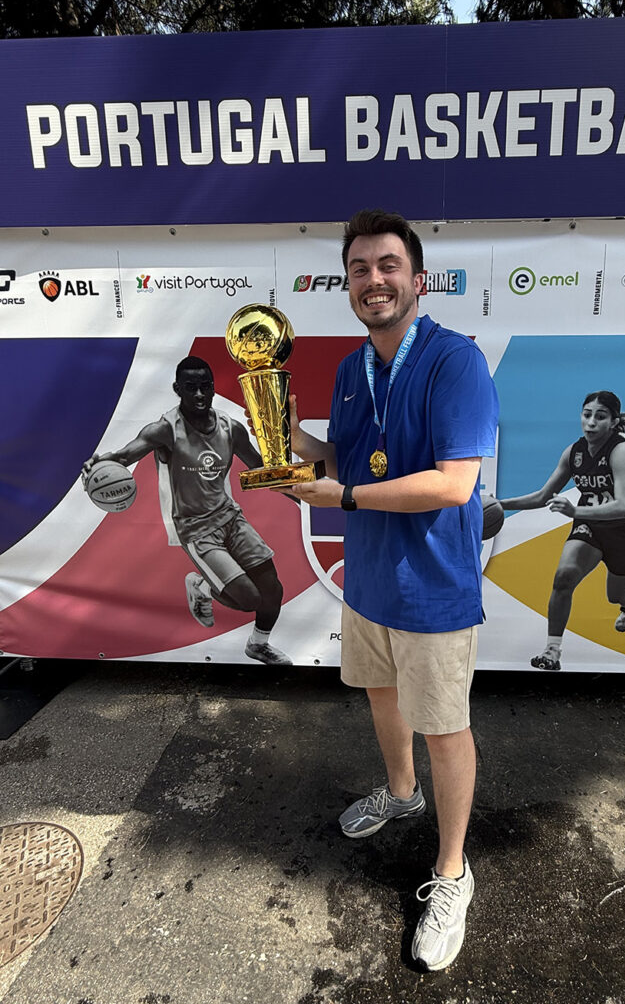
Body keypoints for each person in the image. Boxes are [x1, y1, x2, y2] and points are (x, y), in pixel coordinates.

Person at [287, 209, 499, 971]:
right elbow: (340, 454)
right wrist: (277, 437)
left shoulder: (455, 362)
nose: (372, 281)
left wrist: (339, 498)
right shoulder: (352, 369)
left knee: (444, 726)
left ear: (416, 279)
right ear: (346, 285)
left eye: (386, 266)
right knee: (382, 697)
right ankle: (401, 794)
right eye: (358, 270)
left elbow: (452, 484)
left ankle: (452, 872)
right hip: (369, 580)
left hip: (434, 590)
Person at [81, 356, 291, 666]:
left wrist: (306, 493)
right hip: (195, 528)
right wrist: (99, 463)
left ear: (213, 388)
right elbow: (125, 454)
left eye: (205, 387)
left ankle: (258, 645)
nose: (199, 395)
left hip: (230, 516)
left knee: (273, 589)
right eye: (191, 388)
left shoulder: (230, 428)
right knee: (249, 599)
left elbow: (261, 469)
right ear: (177, 389)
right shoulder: (164, 430)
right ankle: (200, 585)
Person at [499, 390, 625, 672]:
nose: (591, 422)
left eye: (600, 416)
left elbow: (623, 507)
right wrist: (498, 504)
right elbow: (542, 496)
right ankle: (552, 650)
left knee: (616, 596)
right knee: (564, 577)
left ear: (613, 421)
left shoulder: (623, 451)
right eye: (587, 415)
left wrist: (574, 511)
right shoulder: (574, 452)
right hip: (592, 526)